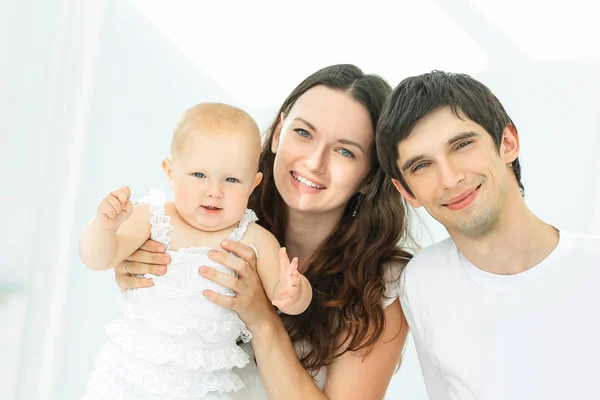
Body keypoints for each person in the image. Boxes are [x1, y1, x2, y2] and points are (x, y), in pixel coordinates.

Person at [109, 64, 414, 399]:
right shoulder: (218, 214)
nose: (314, 162)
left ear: (371, 176)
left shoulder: (382, 286)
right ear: (279, 131)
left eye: (345, 151)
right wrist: (131, 266)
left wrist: (261, 318)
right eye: (303, 133)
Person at [376, 70, 600, 400]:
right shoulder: (420, 282)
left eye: (462, 145)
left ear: (507, 142)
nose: (450, 178)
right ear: (406, 191)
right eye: (421, 165)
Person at [79, 103, 313, 399]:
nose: (214, 190)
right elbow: (97, 259)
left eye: (231, 180)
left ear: (253, 184)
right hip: (130, 377)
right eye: (199, 175)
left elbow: (288, 299)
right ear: (170, 172)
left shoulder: (254, 239)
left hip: (202, 388)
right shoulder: (151, 218)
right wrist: (104, 228)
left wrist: (295, 291)